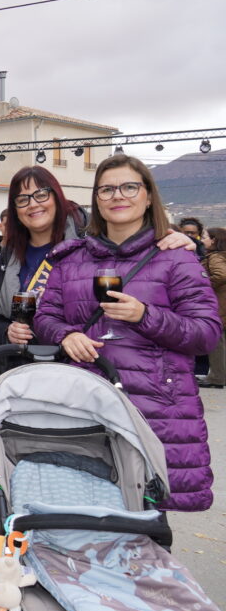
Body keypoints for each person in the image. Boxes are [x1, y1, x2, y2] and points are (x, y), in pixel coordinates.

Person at [34, 154, 221, 512]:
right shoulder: (71, 260)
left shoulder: (176, 258)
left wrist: (145, 316)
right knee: (87, 517)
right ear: (97, 200)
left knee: (147, 522)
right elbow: (46, 318)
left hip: (156, 409)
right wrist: (65, 336)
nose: (117, 195)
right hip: (87, 406)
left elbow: (206, 334)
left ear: (148, 196)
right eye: (106, 189)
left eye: (129, 187)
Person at [0, 167, 192, 376]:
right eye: (22, 199)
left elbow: (133, 243)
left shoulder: (92, 246)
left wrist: (173, 239)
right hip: (18, 372)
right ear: (15, 209)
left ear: (57, 197)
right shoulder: (4, 262)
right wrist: (5, 332)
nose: (33, 204)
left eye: (41, 194)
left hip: (80, 370)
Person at [201, 227, 226, 389]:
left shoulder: (215, 257)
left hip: (219, 304)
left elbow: (221, 275)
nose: (202, 240)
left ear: (214, 240)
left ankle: (217, 377)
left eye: (205, 237)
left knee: (217, 340)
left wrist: (203, 286)